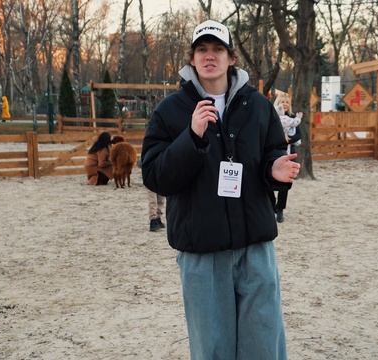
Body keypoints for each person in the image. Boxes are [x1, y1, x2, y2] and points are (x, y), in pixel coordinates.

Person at [140, 19, 299, 359]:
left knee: (263, 343)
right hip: (202, 251)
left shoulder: (257, 105)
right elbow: (155, 176)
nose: (209, 56)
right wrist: (192, 137)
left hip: (255, 247)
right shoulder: (170, 111)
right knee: (213, 348)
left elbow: (271, 152)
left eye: (217, 49)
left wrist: (275, 169)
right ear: (192, 58)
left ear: (230, 58)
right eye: (202, 50)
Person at [272, 93, 303, 223]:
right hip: (273, 153)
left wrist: (288, 140)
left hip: (288, 153)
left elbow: (299, 135)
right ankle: (271, 206)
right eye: (282, 101)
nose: (285, 104)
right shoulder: (272, 117)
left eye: (287, 102)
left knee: (286, 183)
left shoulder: (292, 118)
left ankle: (280, 210)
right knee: (270, 182)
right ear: (277, 103)